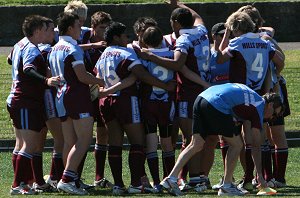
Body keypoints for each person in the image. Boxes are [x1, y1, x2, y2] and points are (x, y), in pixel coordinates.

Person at [95, 21, 176, 195]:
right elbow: (142, 74)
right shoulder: (126, 53)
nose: (128, 39)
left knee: (114, 144)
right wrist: (164, 85)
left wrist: (105, 91)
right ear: (116, 37)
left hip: (106, 102)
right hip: (125, 100)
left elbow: (97, 78)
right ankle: (135, 183)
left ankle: (118, 184)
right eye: (125, 36)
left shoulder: (102, 55)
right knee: (138, 142)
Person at [161, 83, 284, 196]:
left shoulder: (252, 97)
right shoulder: (259, 107)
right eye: (274, 114)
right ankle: (226, 186)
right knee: (237, 145)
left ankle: (171, 178)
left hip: (201, 98)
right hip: (216, 103)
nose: (272, 118)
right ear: (270, 105)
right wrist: (261, 177)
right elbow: (256, 146)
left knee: (196, 143)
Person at [138, 0, 211, 191]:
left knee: (190, 136)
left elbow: (178, 64)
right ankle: (195, 177)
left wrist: (151, 57)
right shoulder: (202, 31)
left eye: (172, 22)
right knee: (197, 136)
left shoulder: (183, 39)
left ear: (177, 23)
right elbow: (197, 16)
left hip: (189, 91)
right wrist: (178, 3)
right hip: (204, 84)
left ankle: (195, 178)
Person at [48, 12, 105, 195]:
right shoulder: (73, 49)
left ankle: (70, 180)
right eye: (78, 26)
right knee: (84, 139)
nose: (81, 29)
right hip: (76, 96)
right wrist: (101, 81)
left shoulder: (55, 47)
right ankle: (67, 179)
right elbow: (81, 76)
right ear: (70, 28)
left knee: (69, 141)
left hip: (61, 96)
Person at [7, 15, 61, 195]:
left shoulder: (20, 44)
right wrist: (46, 80)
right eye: (47, 29)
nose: (50, 32)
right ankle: (18, 185)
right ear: (37, 31)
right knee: (28, 146)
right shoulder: (31, 48)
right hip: (25, 101)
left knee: (20, 145)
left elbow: (10, 59)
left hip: (16, 100)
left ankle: (23, 183)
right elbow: (28, 69)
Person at [139, 26, 176, 193]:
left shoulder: (144, 56)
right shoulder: (171, 54)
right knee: (167, 142)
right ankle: (168, 180)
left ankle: (156, 181)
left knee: (151, 142)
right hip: (166, 103)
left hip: (149, 102)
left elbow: (140, 75)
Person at [81, 10, 114, 189]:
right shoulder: (82, 36)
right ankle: (72, 177)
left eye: (107, 28)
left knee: (103, 134)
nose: (104, 31)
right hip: (81, 94)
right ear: (93, 27)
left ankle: (99, 177)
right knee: (81, 137)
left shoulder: (108, 44)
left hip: (100, 93)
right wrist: (91, 46)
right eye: (102, 28)